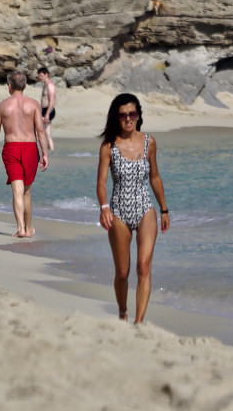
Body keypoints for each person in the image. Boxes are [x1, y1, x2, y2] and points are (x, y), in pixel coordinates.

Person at [95, 93, 169, 325]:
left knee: (143, 266)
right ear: (116, 118)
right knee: (123, 272)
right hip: (118, 212)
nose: (128, 118)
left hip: (145, 208)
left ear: (138, 116)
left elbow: (155, 177)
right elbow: (101, 182)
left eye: (132, 114)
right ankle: (122, 311)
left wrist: (164, 209)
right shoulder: (108, 146)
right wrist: (104, 208)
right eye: (123, 115)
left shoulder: (149, 142)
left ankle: (139, 322)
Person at [0, 71, 49, 238]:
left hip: (11, 148)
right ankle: (28, 228)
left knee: (17, 190)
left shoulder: (2, 106)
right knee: (27, 191)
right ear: (25, 86)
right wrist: (44, 153)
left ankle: (21, 228)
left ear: (9, 86)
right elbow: (40, 131)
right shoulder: (33, 104)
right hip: (30, 148)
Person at [38, 66, 56, 152]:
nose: (39, 77)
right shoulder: (45, 85)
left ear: (46, 74)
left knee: (45, 132)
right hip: (44, 110)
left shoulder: (50, 85)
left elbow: (52, 101)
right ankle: (50, 150)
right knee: (46, 132)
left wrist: (47, 114)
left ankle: (49, 150)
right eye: (39, 76)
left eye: (41, 75)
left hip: (49, 111)